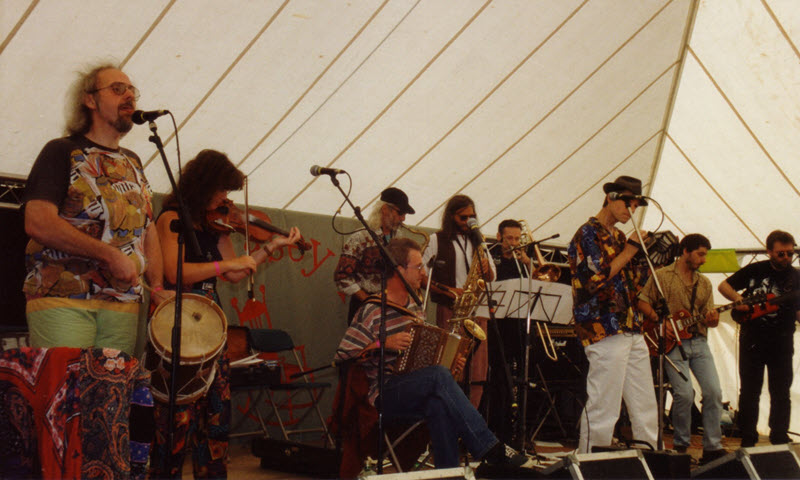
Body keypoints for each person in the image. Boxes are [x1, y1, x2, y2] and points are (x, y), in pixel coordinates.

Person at [149, 149, 301, 478]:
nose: (225, 199)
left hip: (210, 323)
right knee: (174, 420)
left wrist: (270, 247)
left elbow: (235, 273)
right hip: (177, 323)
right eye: (221, 190)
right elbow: (176, 273)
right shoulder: (171, 218)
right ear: (204, 185)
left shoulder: (215, 226)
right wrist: (224, 265)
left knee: (215, 414)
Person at [335, 237, 532, 469]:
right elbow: (343, 356)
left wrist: (450, 363)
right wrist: (382, 343)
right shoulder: (372, 309)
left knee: (439, 403)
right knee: (438, 376)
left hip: (411, 388)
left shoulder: (415, 308)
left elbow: (421, 360)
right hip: (382, 394)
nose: (423, 273)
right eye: (418, 267)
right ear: (399, 270)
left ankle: (448, 473)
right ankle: (489, 448)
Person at [22, 62, 169, 356]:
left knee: (113, 385)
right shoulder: (61, 151)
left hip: (124, 304)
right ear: (90, 100)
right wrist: (109, 254)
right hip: (64, 297)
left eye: (132, 90)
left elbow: (147, 227)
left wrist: (157, 286)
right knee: (67, 384)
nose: (129, 96)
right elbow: (38, 222)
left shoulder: (133, 161)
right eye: (117, 89)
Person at [567, 175, 657, 453]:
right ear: (611, 197)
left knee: (644, 401)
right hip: (602, 326)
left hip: (629, 325)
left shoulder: (618, 237)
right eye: (628, 204)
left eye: (636, 206)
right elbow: (593, 280)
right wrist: (630, 251)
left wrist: (649, 259)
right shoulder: (587, 233)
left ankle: (650, 455)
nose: (632, 211)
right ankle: (590, 460)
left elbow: (630, 285)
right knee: (604, 401)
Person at [637, 234, 726, 463]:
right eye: (700, 254)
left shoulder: (704, 283)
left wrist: (713, 320)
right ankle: (680, 447)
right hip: (672, 343)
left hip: (699, 341)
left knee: (714, 392)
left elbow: (708, 318)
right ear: (685, 251)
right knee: (684, 394)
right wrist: (660, 321)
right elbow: (642, 301)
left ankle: (712, 448)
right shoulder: (662, 276)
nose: (704, 260)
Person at [718, 230, 800, 448]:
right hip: (753, 339)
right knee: (750, 390)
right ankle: (748, 436)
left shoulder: (797, 277)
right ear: (769, 251)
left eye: (790, 253)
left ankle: (779, 436)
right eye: (781, 253)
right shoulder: (756, 270)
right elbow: (724, 285)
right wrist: (738, 299)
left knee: (781, 390)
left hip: (782, 340)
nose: (786, 258)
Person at [422, 194, 496, 408]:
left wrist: (487, 269)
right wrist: (449, 291)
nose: (468, 222)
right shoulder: (437, 239)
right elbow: (422, 276)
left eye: (472, 217)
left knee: (477, 373)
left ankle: (470, 415)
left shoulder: (479, 241)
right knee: (452, 366)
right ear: (451, 216)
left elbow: (492, 276)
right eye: (463, 217)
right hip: (451, 309)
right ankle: (449, 413)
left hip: (477, 312)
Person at [334, 187, 415, 324]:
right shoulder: (360, 237)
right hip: (364, 306)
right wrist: (367, 299)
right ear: (385, 209)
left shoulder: (399, 238)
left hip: (392, 305)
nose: (403, 218)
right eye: (400, 213)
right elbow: (342, 276)